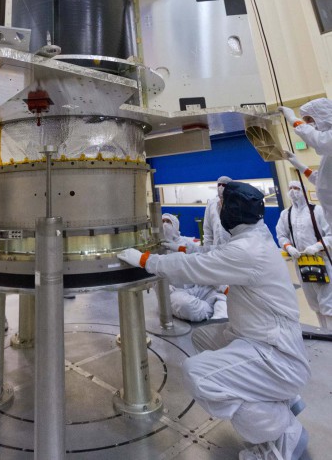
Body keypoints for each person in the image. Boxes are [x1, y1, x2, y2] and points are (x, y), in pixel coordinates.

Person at [118, 181, 310, 460]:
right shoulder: (253, 236)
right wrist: (180, 248)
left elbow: (195, 268)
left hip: (274, 354)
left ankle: (282, 431)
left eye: (221, 203)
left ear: (233, 209)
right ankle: (283, 398)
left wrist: (146, 259)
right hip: (257, 337)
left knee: (198, 374)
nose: (217, 208)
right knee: (202, 337)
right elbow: (212, 254)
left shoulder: (247, 251)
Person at [276, 180, 332, 331]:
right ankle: (324, 332)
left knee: (328, 301)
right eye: (290, 188)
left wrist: (317, 246)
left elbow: (330, 234)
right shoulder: (286, 214)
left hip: (321, 261)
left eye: (296, 188)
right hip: (301, 262)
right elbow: (281, 235)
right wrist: (288, 247)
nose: (293, 191)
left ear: (304, 191)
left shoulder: (317, 211)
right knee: (314, 302)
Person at [161, 213, 228, 321]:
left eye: (168, 222)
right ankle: (213, 309)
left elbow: (202, 264)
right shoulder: (158, 249)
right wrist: (164, 288)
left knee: (220, 293)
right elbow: (153, 273)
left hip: (197, 286)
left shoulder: (186, 243)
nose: (165, 225)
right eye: (162, 222)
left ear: (176, 225)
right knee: (185, 305)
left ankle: (219, 317)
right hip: (177, 291)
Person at [279, 98, 332, 224]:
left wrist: (294, 120)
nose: (308, 124)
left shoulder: (327, 143)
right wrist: (300, 166)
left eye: (309, 119)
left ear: (323, 115)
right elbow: (323, 182)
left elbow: (319, 141)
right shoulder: (328, 155)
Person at [202, 175, 232, 249]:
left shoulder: (236, 203)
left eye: (224, 185)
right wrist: (207, 248)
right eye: (219, 184)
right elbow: (207, 228)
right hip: (216, 248)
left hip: (232, 248)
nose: (221, 187)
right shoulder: (211, 204)